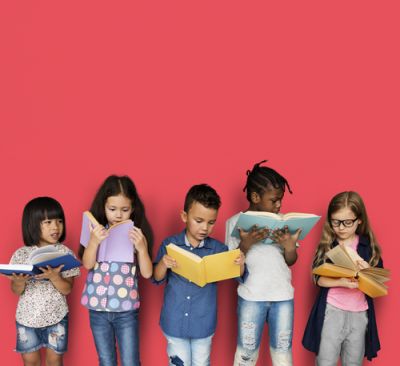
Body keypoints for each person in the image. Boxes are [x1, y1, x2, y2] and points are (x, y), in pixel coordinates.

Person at [153, 184, 245, 366]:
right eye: (199, 220)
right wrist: (164, 263)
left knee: (202, 363)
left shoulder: (219, 249)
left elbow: (238, 276)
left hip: (203, 324)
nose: (205, 228)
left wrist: (240, 264)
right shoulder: (170, 244)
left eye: (211, 222)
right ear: (184, 216)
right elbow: (156, 278)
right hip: (174, 322)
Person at [225, 160, 301, 366]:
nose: (279, 205)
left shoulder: (284, 222)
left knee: (283, 352)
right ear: (255, 197)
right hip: (251, 297)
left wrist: (289, 246)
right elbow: (230, 267)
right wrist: (245, 245)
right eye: (274, 200)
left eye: (281, 200)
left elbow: (291, 261)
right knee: (246, 353)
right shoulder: (235, 223)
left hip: (283, 297)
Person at [302, 191, 384, 365]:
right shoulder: (328, 245)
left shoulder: (367, 247)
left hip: (359, 314)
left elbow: (379, 282)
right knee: (325, 361)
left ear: (359, 219)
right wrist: (341, 282)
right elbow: (317, 279)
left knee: (354, 362)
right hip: (332, 311)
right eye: (335, 222)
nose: (341, 228)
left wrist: (367, 269)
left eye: (347, 222)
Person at [79, 175, 153, 366]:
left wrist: (142, 249)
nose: (118, 215)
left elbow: (147, 273)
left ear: (133, 208)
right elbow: (87, 264)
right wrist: (94, 241)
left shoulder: (136, 234)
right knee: (105, 360)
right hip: (97, 308)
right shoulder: (96, 231)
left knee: (130, 361)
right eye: (112, 209)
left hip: (125, 310)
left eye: (124, 210)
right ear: (103, 206)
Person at [7, 197, 80, 366]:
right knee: (30, 361)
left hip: (57, 316)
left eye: (59, 221)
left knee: (55, 361)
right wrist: (19, 282)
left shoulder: (65, 253)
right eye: (48, 222)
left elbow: (67, 289)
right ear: (32, 224)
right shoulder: (21, 254)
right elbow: (16, 290)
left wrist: (55, 277)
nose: (55, 227)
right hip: (27, 318)